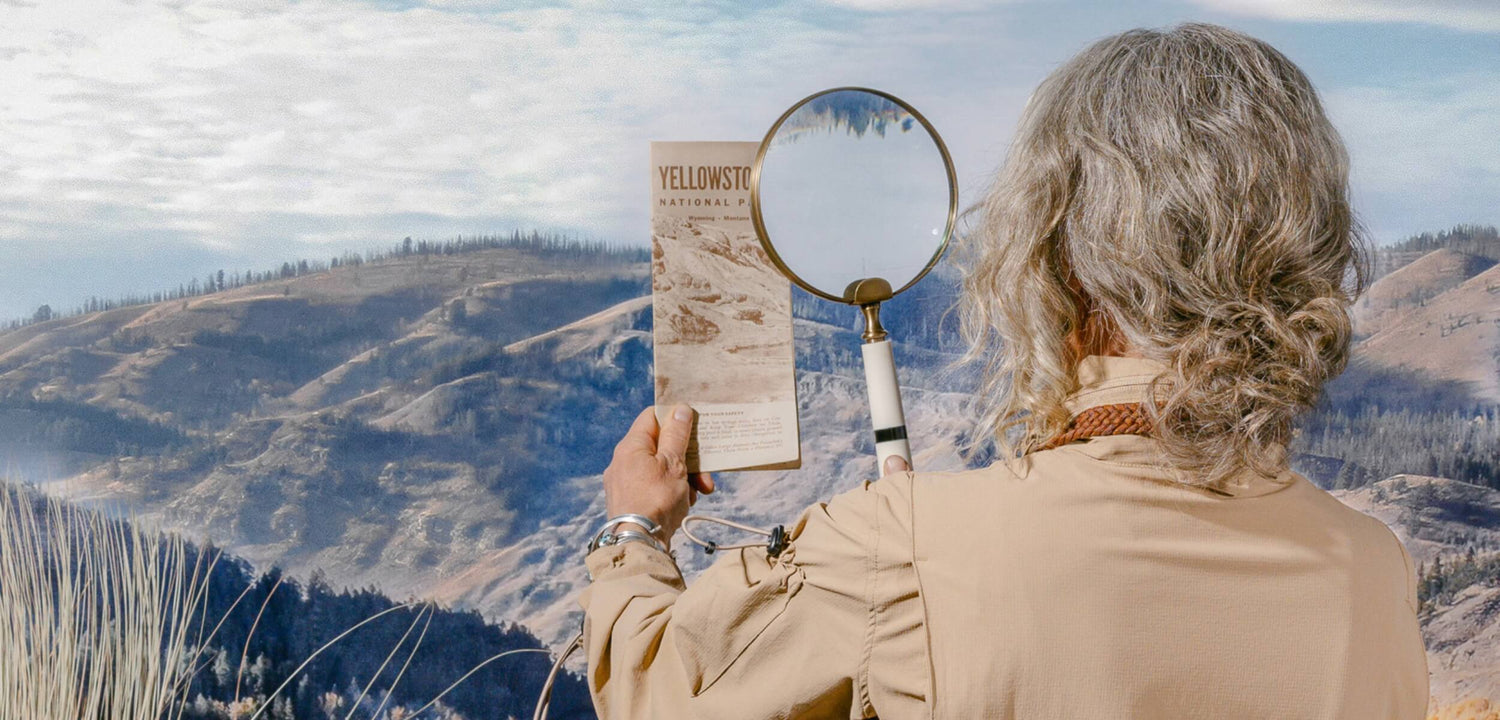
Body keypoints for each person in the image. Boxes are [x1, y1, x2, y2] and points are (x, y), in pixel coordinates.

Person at [578, 22, 1429, 719]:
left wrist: (633, 536)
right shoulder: (1375, 570)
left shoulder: (902, 549)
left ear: (1056, 259)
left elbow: (658, 689)